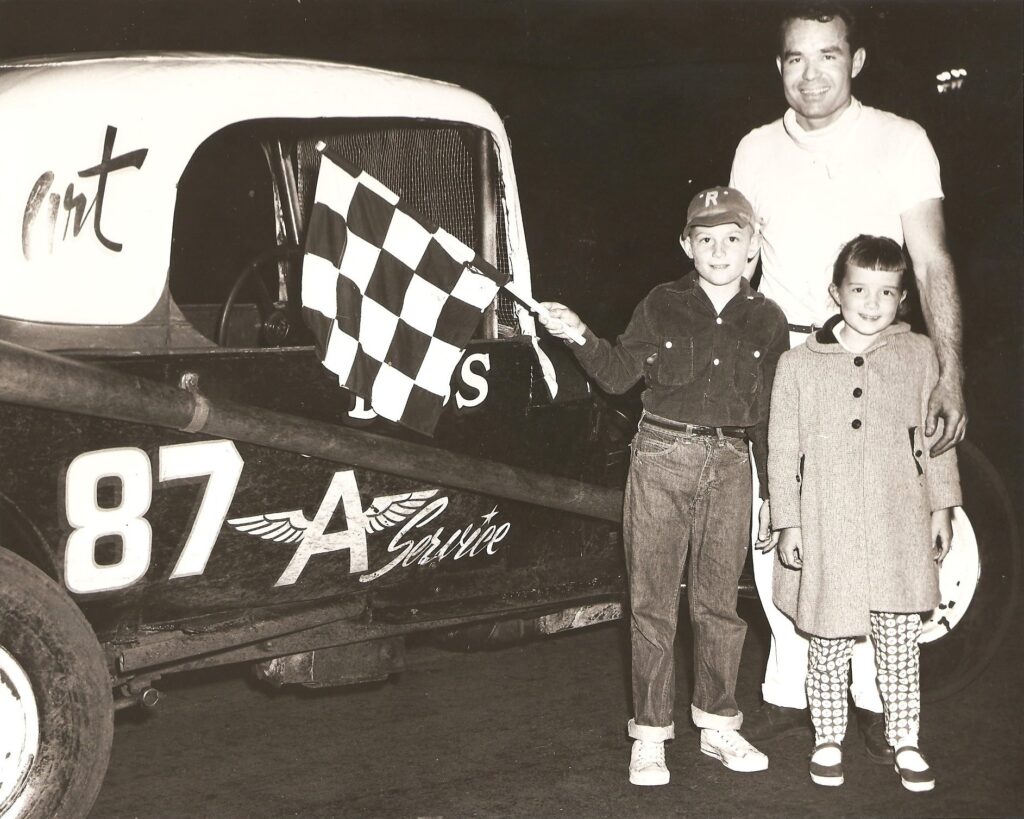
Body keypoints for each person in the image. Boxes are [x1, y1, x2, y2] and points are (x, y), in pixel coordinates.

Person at [729, 2, 968, 759]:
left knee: (880, 528)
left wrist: (951, 372)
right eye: (796, 58)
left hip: (882, 356)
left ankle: (873, 700)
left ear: (856, 61)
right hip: (790, 361)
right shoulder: (754, 149)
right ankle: (794, 693)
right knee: (784, 526)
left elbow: (930, 261)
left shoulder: (902, 140)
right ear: (779, 67)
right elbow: (737, 266)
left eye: (828, 55)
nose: (811, 74)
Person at [537, 187, 789, 786]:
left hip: (732, 463)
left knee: (718, 605)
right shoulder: (660, 304)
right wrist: (577, 335)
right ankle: (649, 737)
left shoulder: (768, 320)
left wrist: (775, 493)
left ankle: (718, 725)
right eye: (705, 238)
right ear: (686, 244)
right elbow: (620, 376)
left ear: (753, 245)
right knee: (652, 603)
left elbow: (766, 417)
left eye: (733, 237)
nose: (719, 249)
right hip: (660, 456)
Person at [768, 234, 961, 791]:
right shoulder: (798, 364)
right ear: (836, 292)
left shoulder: (919, 354)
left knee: (899, 640)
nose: (872, 303)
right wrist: (789, 521)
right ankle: (827, 737)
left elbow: (933, 442)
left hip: (897, 523)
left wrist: (943, 507)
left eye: (886, 292)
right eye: (859, 289)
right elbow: (783, 449)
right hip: (827, 526)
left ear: (903, 299)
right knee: (826, 640)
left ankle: (906, 740)